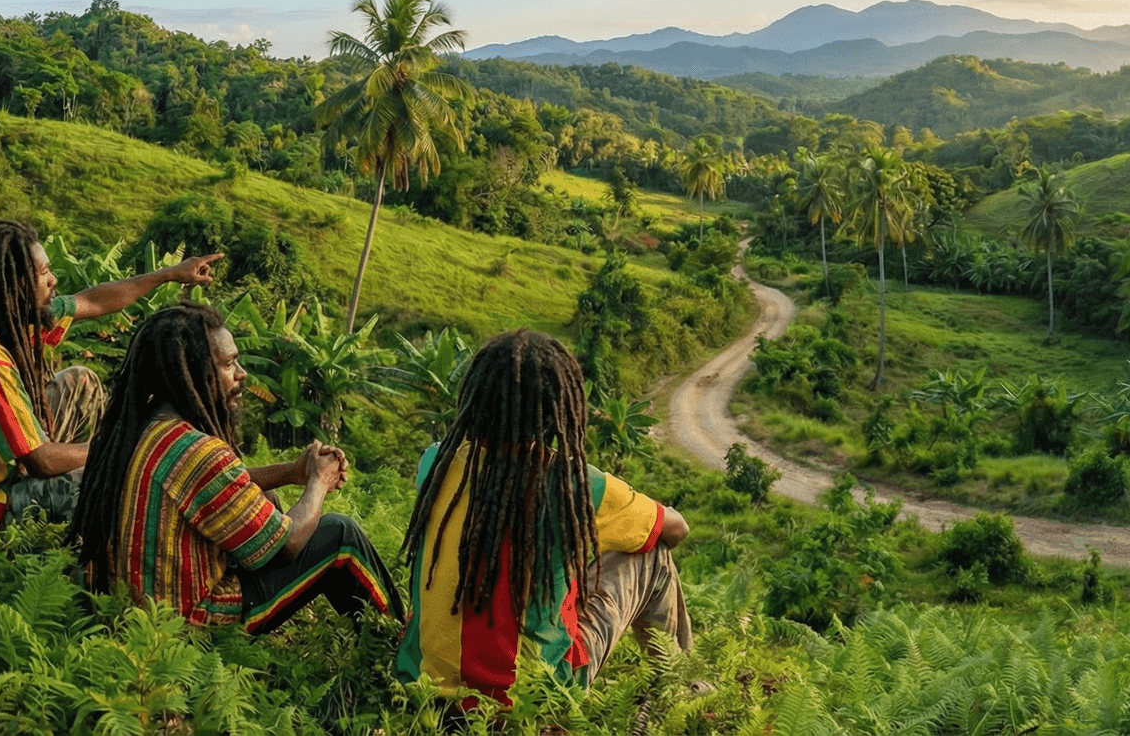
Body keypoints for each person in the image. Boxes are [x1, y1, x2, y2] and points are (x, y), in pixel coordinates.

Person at [397, 329, 691, 706]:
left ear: (476, 399)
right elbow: (677, 528)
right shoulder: (575, 485)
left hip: (419, 690)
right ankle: (679, 692)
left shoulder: (435, 463)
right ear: (559, 412)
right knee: (654, 554)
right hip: (530, 701)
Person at [70, 302, 398, 632]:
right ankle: (399, 645)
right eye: (229, 364)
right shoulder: (195, 450)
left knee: (265, 495)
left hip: (127, 605)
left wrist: (291, 472)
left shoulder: (139, 430)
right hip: (188, 620)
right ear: (195, 372)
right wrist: (318, 482)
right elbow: (290, 544)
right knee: (341, 534)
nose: (242, 373)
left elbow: (222, 485)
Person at [0, 219, 223, 529]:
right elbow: (42, 461)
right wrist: (118, 445)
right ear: (13, 285)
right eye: (42, 273)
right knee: (105, 476)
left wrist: (170, 274)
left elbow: (93, 301)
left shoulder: (3, 320)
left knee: (80, 382)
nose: (53, 279)